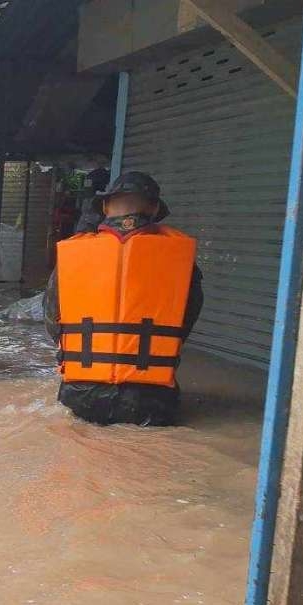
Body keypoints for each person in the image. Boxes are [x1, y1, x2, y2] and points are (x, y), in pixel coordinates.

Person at [43, 171, 203, 426]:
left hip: (83, 393)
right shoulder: (180, 258)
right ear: (153, 209)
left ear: (105, 207)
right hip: (150, 397)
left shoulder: (73, 253)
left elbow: (53, 318)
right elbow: (185, 320)